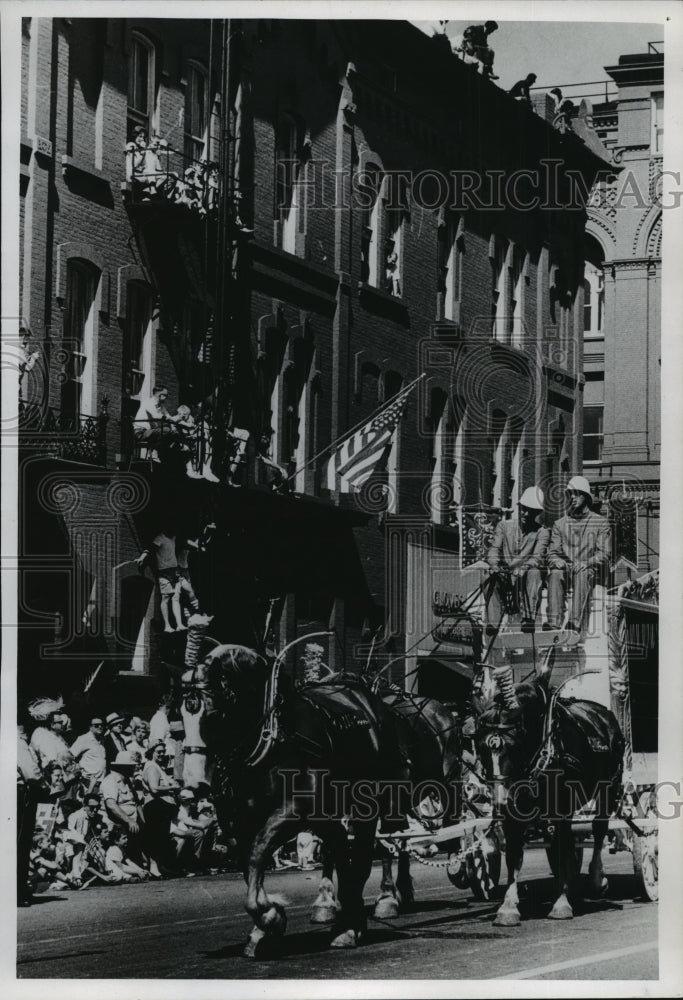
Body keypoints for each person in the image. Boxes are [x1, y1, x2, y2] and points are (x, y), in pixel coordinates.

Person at [545, 475, 612, 632]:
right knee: (555, 573)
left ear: (586, 497)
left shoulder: (600, 522)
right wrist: (557, 561)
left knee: (582, 573)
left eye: (577, 493)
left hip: (588, 569)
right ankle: (554, 622)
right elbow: (552, 552)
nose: (572, 498)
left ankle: (574, 623)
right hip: (567, 568)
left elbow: (604, 553)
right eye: (570, 494)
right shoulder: (560, 524)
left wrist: (586, 563)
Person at [485, 485, 550, 633]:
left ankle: (528, 619)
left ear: (537, 513)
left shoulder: (542, 532)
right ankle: (492, 624)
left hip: (524, 577)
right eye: (524, 509)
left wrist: (523, 568)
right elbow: (494, 549)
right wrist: (494, 564)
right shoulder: (504, 525)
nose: (525, 514)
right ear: (519, 507)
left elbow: (538, 557)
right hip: (505, 575)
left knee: (534, 572)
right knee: (488, 576)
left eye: (531, 511)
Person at [141, 742, 181, 875]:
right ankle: (153, 867)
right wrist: (172, 787)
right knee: (156, 837)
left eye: (163, 751)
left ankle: (159, 867)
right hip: (155, 806)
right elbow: (154, 788)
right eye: (158, 751)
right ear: (151, 752)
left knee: (161, 837)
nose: (161, 754)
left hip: (161, 806)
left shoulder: (158, 767)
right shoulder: (151, 767)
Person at [17, 721, 45, 905]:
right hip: (19, 793)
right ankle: (18, 891)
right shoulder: (18, 742)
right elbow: (31, 773)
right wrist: (44, 783)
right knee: (20, 842)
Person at [133, 385, 179, 457]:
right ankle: (156, 452)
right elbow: (158, 418)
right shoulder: (148, 403)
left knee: (175, 433)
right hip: (141, 432)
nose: (166, 398)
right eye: (166, 395)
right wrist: (171, 422)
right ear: (160, 395)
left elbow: (169, 417)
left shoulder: (161, 406)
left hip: (152, 431)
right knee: (166, 430)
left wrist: (176, 423)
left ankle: (159, 452)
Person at [70, 717, 107, 792]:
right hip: (88, 782)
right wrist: (78, 770)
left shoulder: (102, 740)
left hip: (101, 783)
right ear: (90, 727)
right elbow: (70, 756)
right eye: (96, 725)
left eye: (101, 725)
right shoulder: (84, 739)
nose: (100, 727)